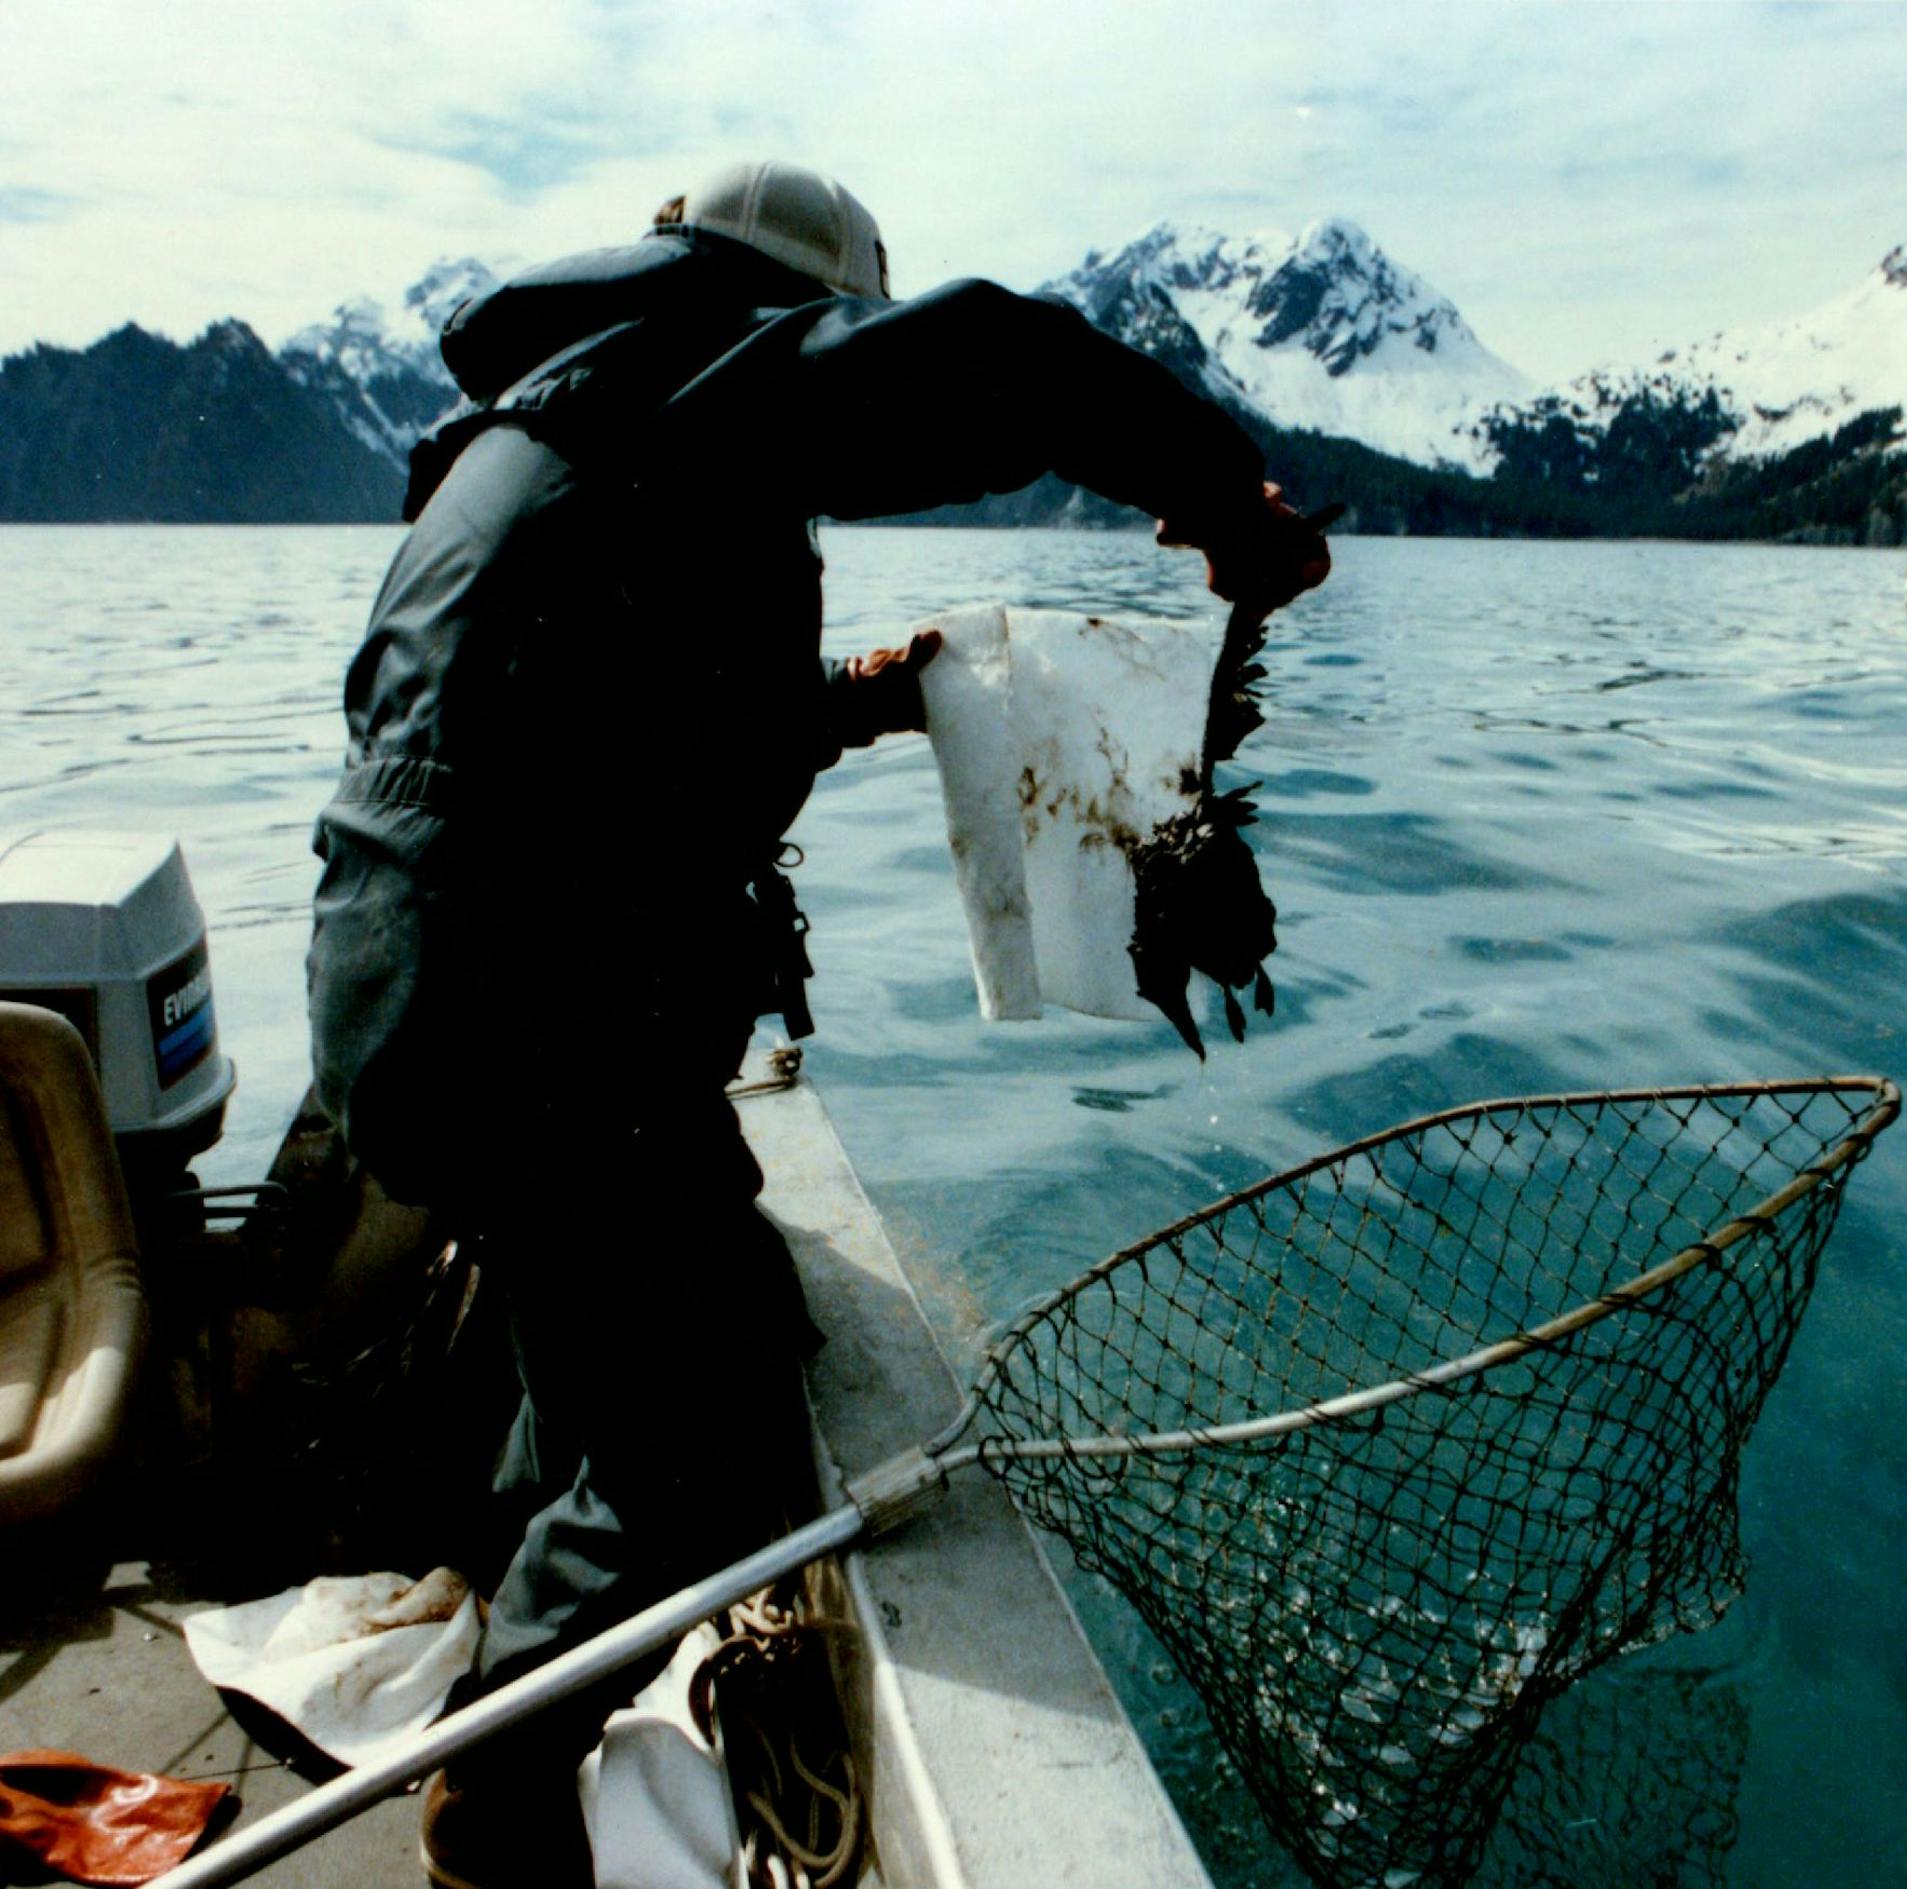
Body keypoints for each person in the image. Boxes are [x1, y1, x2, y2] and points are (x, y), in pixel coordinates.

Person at [303, 158, 1331, 1889]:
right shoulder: (703, 366)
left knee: (656, 1298)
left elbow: (634, 711)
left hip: (415, 998)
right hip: (534, 1017)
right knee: (710, 1436)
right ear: (789, 306)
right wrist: (1223, 493)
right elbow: (1007, 356)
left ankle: (514, 1569)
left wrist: (860, 695)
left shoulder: (566, 434)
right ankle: (493, 1787)